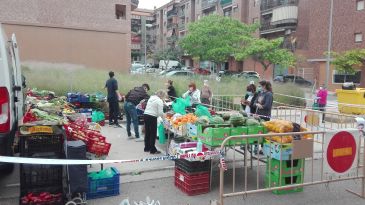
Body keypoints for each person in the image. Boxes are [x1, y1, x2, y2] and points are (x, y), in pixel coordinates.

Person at [143, 90, 167, 154]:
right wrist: (164, 116)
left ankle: (146, 147)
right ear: (162, 96)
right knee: (153, 133)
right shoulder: (159, 101)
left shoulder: (151, 98)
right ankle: (152, 149)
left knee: (147, 132)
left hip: (146, 115)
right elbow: (160, 113)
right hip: (152, 117)